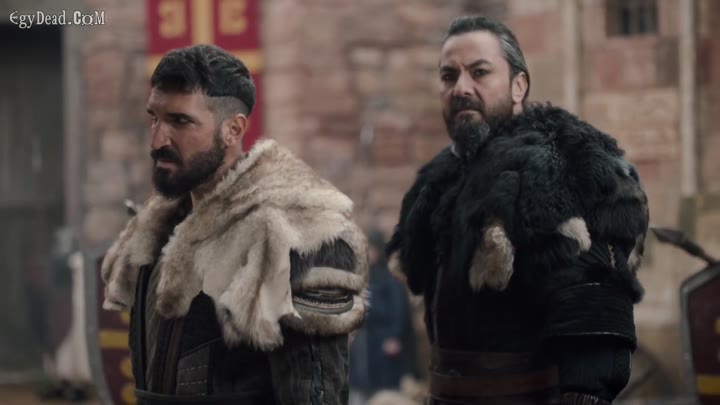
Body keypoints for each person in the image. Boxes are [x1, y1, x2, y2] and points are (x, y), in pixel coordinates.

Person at [386, 16, 649, 405]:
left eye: (479, 72)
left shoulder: (563, 165)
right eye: (448, 76)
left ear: (518, 85)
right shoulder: (438, 181)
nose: (461, 88)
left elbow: (593, 325)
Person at [100, 44, 368, 405]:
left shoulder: (296, 234)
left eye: (180, 121)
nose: (158, 139)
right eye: (155, 118)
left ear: (233, 129)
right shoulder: (156, 230)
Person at [349, 230, 416, 405]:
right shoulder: (362, 279)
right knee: (361, 386)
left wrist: (394, 336)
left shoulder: (389, 281)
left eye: (369, 249)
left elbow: (399, 311)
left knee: (384, 390)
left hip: (383, 342)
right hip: (365, 343)